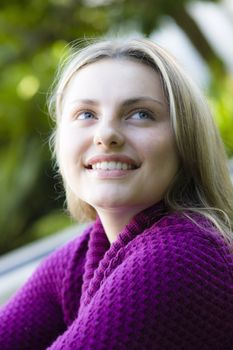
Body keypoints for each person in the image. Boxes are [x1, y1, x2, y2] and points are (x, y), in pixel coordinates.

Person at [0, 37, 233, 350]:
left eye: (140, 114)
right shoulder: (81, 257)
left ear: (185, 140)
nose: (106, 134)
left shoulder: (179, 257)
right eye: (86, 114)